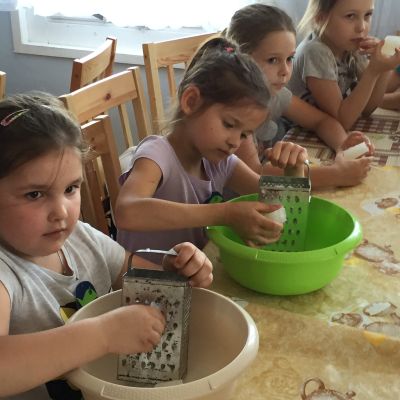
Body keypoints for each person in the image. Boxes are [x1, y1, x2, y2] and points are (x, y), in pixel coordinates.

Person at [0, 92, 213, 399]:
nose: (61, 212)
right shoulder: (6, 272)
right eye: (35, 194)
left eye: (70, 189)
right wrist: (103, 334)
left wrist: (177, 268)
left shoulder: (80, 237)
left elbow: (132, 272)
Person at [115, 37, 308, 259]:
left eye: (244, 134)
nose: (235, 142)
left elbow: (276, 206)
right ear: (191, 101)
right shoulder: (157, 155)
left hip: (194, 275)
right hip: (146, 278)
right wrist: (224, 213)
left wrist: (295, 170)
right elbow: (127, 212)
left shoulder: (221, 163)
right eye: (229, 124)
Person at [226, 3, 374, 188]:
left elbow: (322, 121)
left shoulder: (274, 93)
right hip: (236, 198)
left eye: (289, 59)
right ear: (241, 59)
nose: (285, 71)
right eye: (273, 60)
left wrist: (342, 144)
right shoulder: (234, 107)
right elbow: (254, 174)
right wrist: (335, 174)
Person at [290, 0, 400, 130]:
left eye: (367, 15)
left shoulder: (350, 47)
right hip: (297, 135)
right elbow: (342, 121)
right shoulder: (315, 53)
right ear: (320, 19)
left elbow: (367, 109)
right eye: (350, 16)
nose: (361, 27)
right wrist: (372, 71)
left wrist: (383, 68)